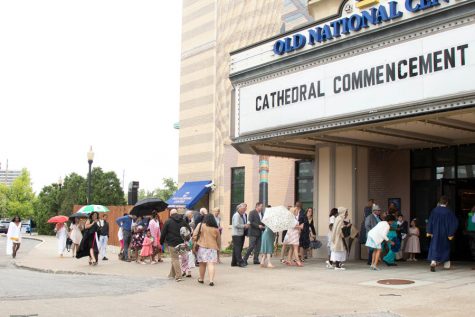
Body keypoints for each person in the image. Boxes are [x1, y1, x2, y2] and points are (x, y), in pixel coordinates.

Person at [427, 196, 459, 272]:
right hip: (445, 233)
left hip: (435, 233)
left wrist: (429, 231)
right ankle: (446, 264)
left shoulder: (434, 210)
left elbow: (430, 221)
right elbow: (454, 223)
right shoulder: (449, 212)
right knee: (445, 247)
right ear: (446, 203)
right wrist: (450, 233)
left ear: (440, 202)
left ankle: (433, 262)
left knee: (435, 246)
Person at [160, 208, 191, 282]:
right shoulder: (182, 221)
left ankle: (178, 276)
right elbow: (189, 229)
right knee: (175, 259)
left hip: (172, 243)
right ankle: (172, 274)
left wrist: (161, 242)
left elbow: (163, 232)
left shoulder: (168, 221)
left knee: (175, 259)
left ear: (170, 214)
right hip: (181, 242)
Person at [193, 214, 221, 286]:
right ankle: (211, 280)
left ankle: (201, 279)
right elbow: (218, 241)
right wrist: (218, 249)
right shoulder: (216, 229)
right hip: (212, 248)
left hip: (202, 247)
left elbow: (194, 235)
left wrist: (196, 241)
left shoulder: (200, 225)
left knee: (202, 264)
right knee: (211, 264)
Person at [231, 203, 249, 267]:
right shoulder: (237, 215)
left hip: (239, 234)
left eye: (245, 209)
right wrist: (244, 226)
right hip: (236, 234)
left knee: (236, 249)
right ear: (239, 209)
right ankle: (240, 262)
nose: (244, 210)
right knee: (238, 249)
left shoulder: (240, 215)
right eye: (243, 209)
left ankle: (234, 262)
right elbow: (236, 224)